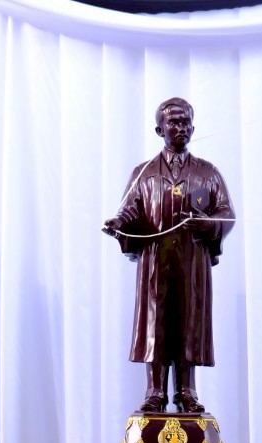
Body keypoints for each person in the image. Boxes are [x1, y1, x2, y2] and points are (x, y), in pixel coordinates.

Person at [102, 98, 235, 414]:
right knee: (156, 323)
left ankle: (187, 390)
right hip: (155, 262)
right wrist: (118, 224)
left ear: (193, 127)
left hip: (192, 261)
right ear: (159, 129)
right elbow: (130, 209)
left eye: (186, 122)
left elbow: (226, 212)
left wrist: (209, 223)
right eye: (173, 122)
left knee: (189, 323)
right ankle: (155, 391)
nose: (181, 128)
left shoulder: (208, 173)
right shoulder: (144, 173)